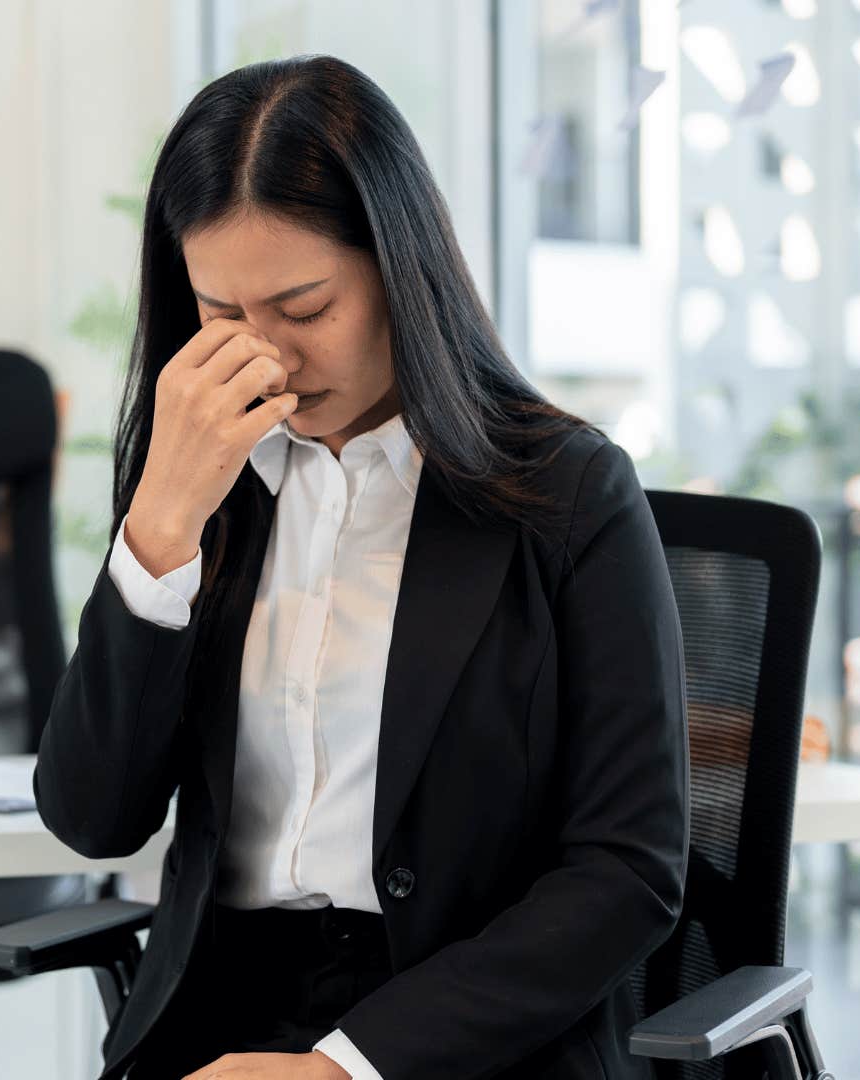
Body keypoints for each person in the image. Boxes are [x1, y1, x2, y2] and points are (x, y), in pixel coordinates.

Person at [35, 56, 688, 1080]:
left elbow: (627, 872)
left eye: (305, 309)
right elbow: (92, 816)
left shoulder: (568, 493)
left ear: (398, 268)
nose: (270, 361)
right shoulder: (207, 475)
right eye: (222, 316)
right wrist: (159, 527)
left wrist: (346, 1067)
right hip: (219, 1015)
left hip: (460, 1032)